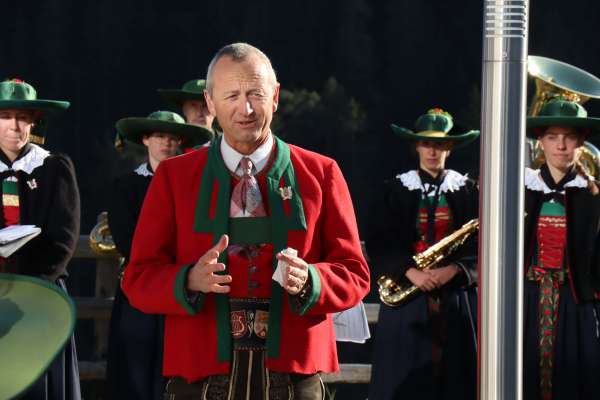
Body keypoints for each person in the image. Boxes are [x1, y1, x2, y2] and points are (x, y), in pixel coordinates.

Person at [122, 42, 370, 400]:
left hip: (295, 376)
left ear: (276, 96)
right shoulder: (174, 177)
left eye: (256, 93)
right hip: (200, 374)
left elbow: (355, 274)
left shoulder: (321, 172)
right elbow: (138, 278)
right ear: (209, 102)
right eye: (232, 95)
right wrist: (189, 279)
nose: (246, 108)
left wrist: (311, 279)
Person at [369, 108, 479, 400]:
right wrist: (410, 271)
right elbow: (380, 242)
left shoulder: (468, 191)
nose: (433, 151)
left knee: (456, 375)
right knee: (402, 375)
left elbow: (480, 243)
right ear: (416, 145)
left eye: (440, 144)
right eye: (427, 144)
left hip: (454, 296)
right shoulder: (394, 189)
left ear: (450, 147)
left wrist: (455, 270)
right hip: (408, 294)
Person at [106, 111, 212, 400]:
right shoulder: (125, 186)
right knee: (136, 371)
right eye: (159, 136)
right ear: (145, 139)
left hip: (182, 288)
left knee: (179, 371)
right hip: (141, 287)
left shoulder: (196, 185)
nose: (166, 143)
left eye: (173, 137)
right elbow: (127, 241)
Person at [0, 78, 81, 400]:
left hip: (39, 293)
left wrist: (33, 287)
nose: (15, 126)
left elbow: (64, 237)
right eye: (6, 116)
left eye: (23, 118)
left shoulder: (53, 167)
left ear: (34, 122)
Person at [523, 97, 600, 400]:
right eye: (553, 137)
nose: (561, 145)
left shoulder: (594, 194)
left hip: (576, 303)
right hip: (526, 303)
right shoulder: (520, 189)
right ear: (540, 141)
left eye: (569, 138)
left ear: (581, 142)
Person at [158, 79, 215, 146]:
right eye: (193, 105)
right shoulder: (170, 147)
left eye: (205, 106)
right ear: (184, 109)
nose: (199, 113)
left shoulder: (228, 143)